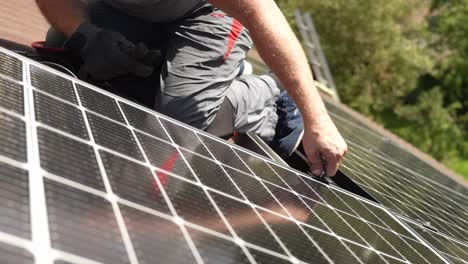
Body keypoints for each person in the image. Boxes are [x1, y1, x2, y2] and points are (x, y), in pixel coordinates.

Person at [35, 0, 347, 177]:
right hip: (133, 9)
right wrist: (84, 34)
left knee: (176, 125)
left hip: (212, 11)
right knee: (64, 45)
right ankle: (196, 75)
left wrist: (315, 118)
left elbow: (260, 12)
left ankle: (272, 99)